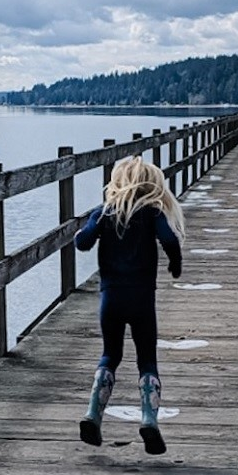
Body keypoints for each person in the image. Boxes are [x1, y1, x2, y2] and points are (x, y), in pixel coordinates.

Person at [74, 156, 184, 455]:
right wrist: (175, 264)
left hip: (110, 299)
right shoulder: (152, 213)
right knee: (147, 360)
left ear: (117, 182)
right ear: (151, 185)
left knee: (110, 354)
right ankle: (149, 420)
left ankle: (93, 416)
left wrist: (81, 232)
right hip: (142, 301)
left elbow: (82, 243)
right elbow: (170, 240)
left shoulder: (104, 213)